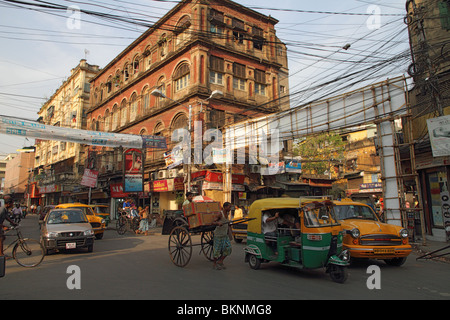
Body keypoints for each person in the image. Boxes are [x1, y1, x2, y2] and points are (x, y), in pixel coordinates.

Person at [212, 202, 232, 270]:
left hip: (224, 235)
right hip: (218, 235)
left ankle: (220, 261)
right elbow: (213, 222)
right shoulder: (220, 214)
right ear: (225, 207)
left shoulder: (227, 214)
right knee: (217, 250)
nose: (230, 208)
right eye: (229, 207)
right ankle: (214, 264)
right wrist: (218, 223)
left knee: (229, 248)